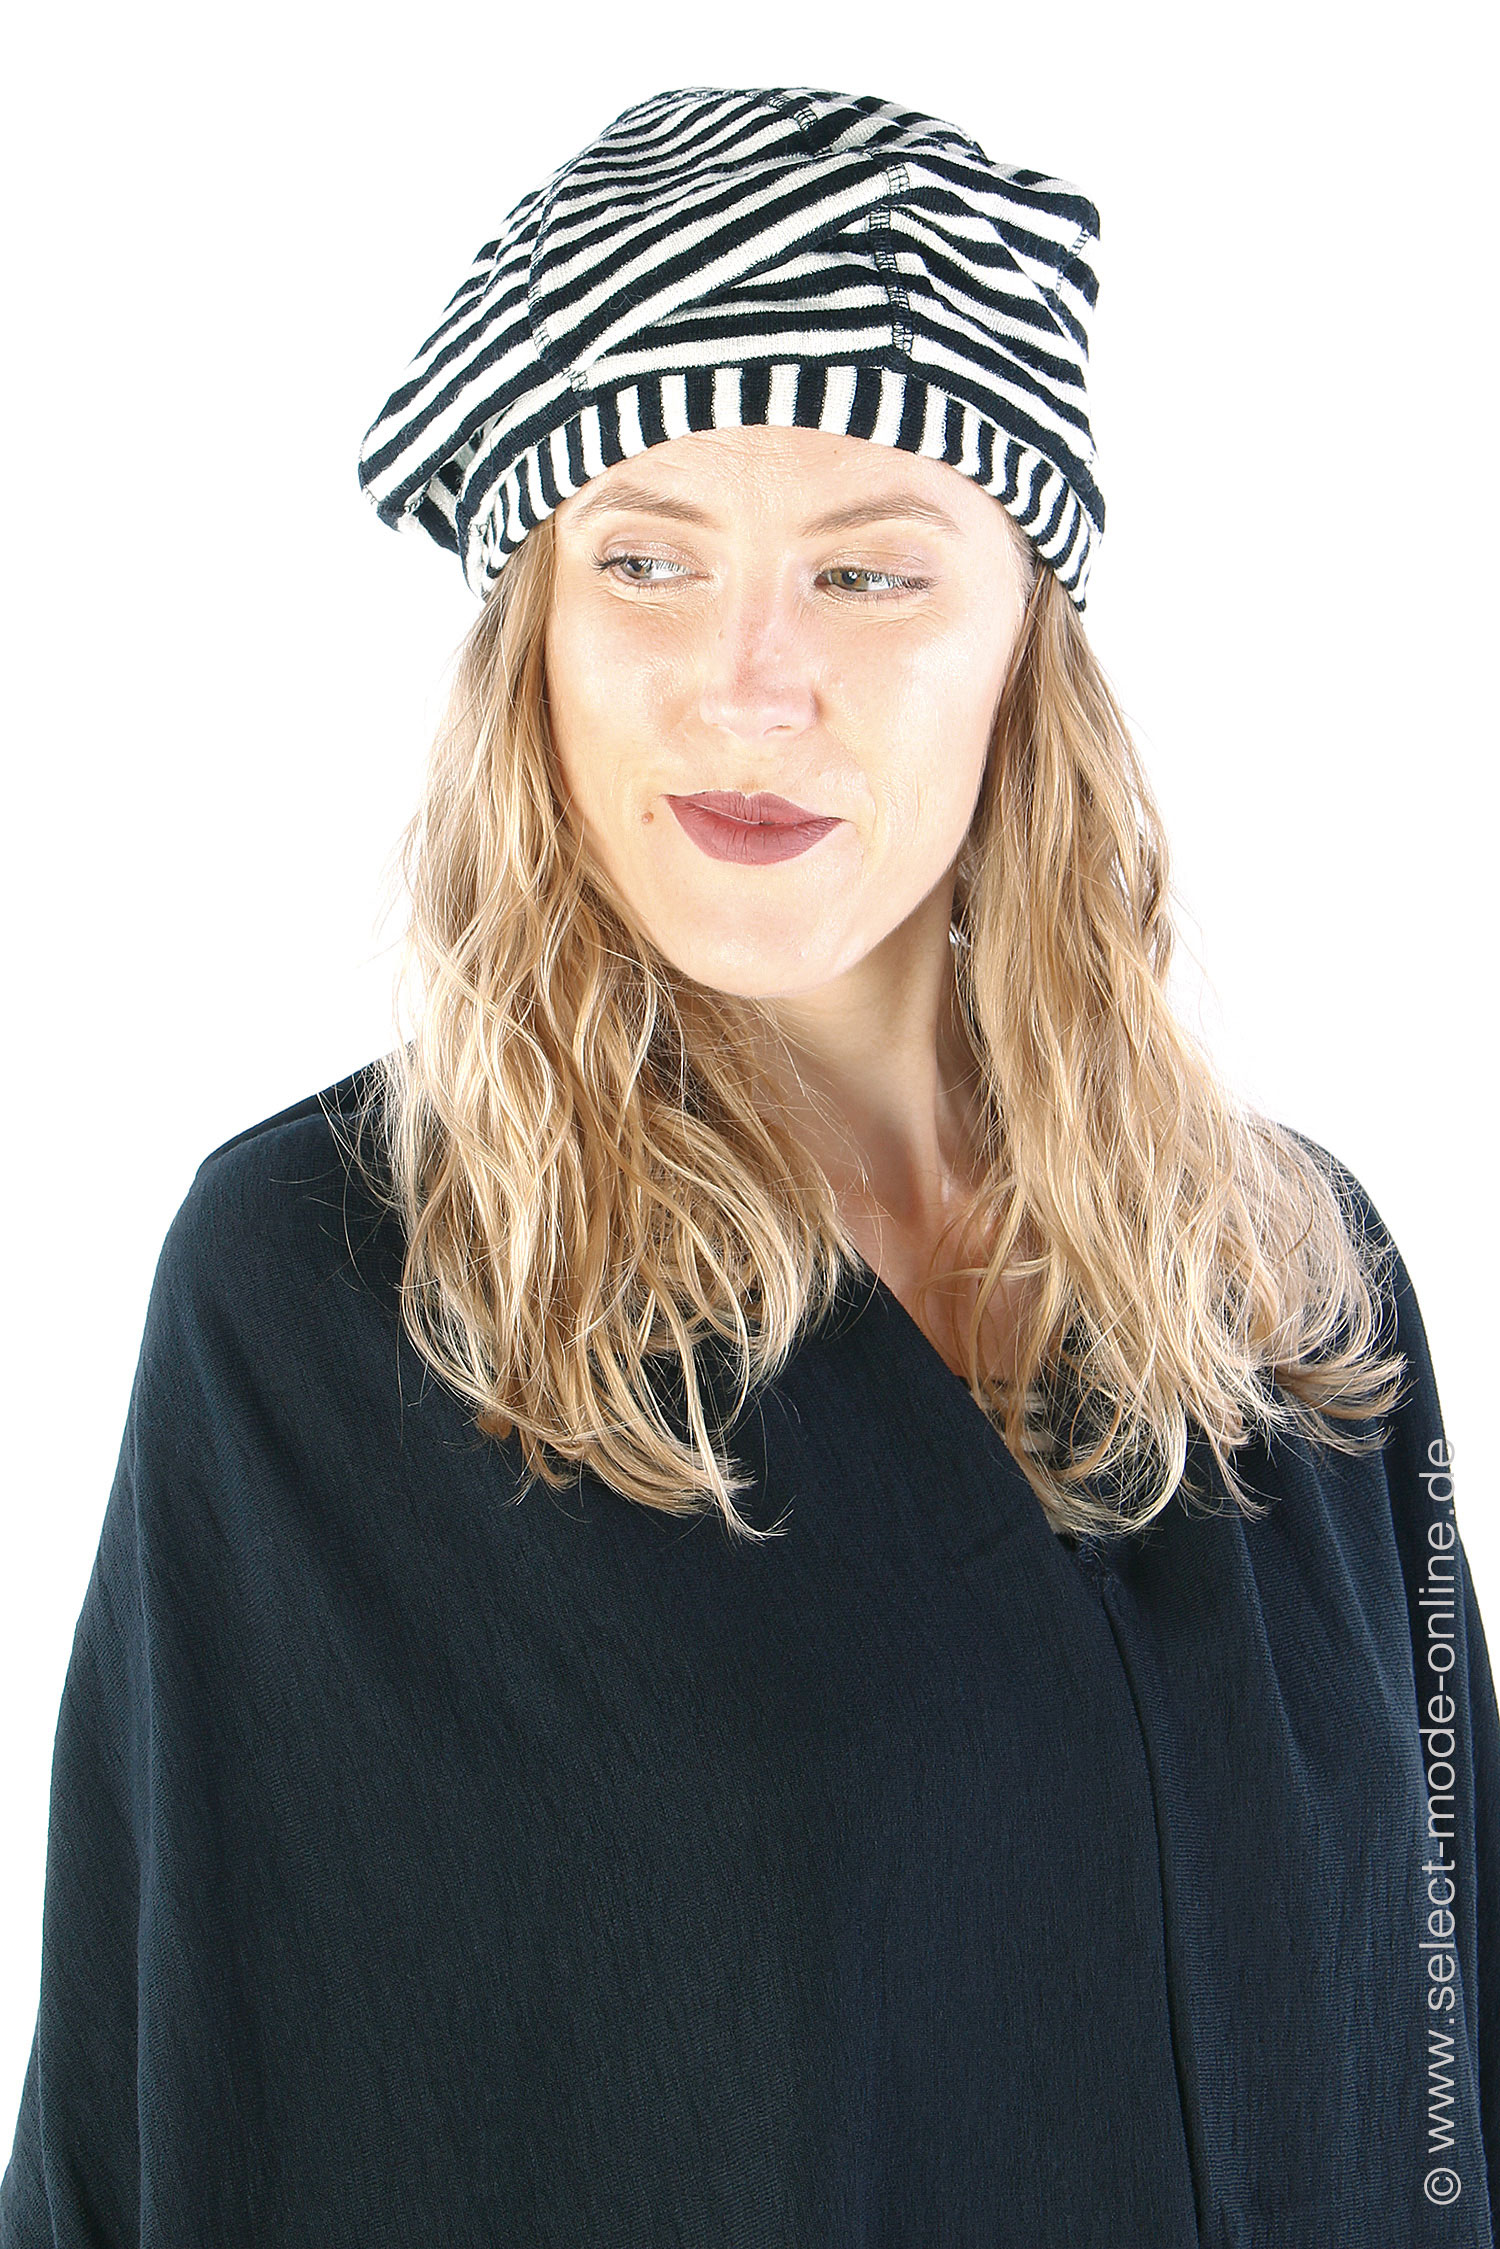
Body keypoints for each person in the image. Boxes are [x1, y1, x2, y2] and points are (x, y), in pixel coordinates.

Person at [3, 82, 1496, 2249]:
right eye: (646, 560)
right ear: (537, 634)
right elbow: (180, 2132)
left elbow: (1448, 2061)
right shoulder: (335, 1287)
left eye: (868, 570)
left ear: (1026, 637)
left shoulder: (1294, 1283)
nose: (748, 683)